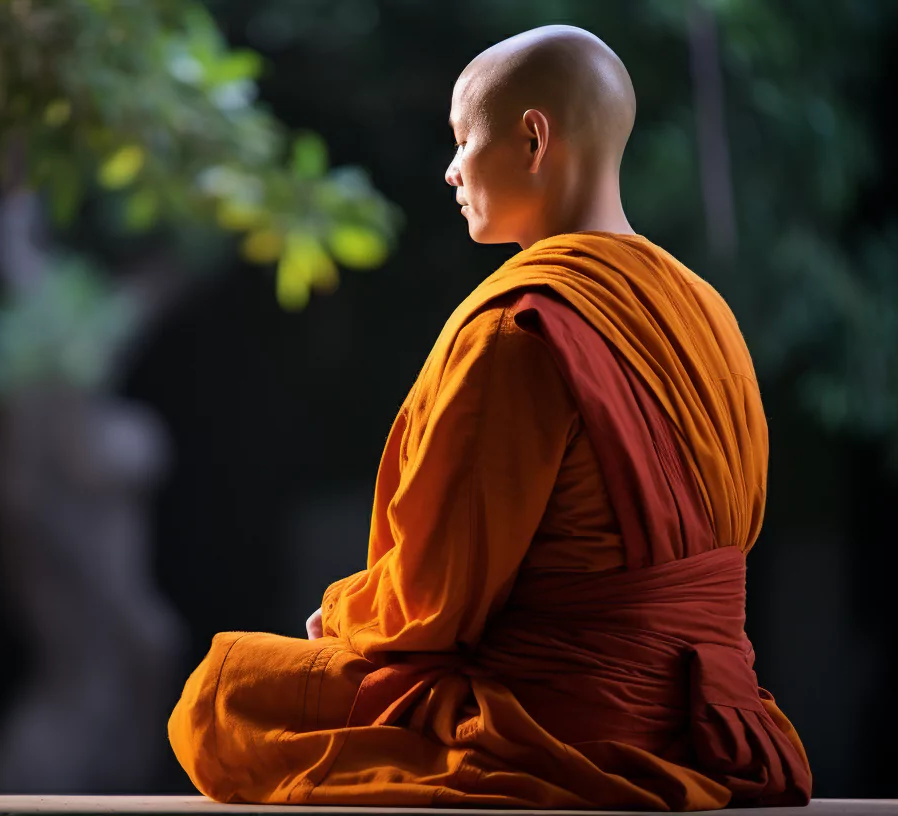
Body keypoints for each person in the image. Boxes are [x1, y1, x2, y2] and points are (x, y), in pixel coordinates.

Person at [168, 25, 812, 810]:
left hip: (565, 720)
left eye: (463, 138)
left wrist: (338, 611)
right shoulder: (708, 311)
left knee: (226, 692)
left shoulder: (525, 329)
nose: (450, 170)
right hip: (717, 720)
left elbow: (433, 605)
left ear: (533, 139)